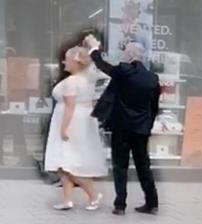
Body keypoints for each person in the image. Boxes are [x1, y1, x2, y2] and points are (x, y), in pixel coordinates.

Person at [84, 34, 160, 215]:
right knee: (144, 166)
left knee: (120, 166)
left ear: (128, 56)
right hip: (141, 128)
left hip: (122, 126)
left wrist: (94, 49)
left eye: (125, 53)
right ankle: (152, 202)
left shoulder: (122, 71)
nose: (123, 56)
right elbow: (154, 107)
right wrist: (147, 125)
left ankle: (120, 205)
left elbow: (103, 66)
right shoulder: (152, 78)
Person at [44, 46, 109, 211]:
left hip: (70, 122)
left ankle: (93, 194)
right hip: (80, 121)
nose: (64, 62)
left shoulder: (73, 81)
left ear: (75, 61)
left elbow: (70, 107)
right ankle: (67, 199)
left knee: (68, 163)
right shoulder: (85, 80)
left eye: (67, 58)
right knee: (64, 163)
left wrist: (64, 128)